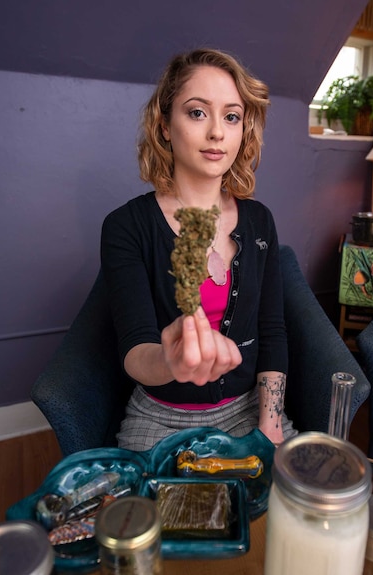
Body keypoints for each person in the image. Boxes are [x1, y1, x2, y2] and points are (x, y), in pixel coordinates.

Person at [100, 48, 297, 451]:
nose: (217, 134)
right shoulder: (126, 226)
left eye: (231, 116)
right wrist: (169, 360)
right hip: (160, 417)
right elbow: (135, 351)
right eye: (196, 112)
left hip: (249, 410)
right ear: (165, 126)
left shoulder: (259, 222)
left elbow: (272, 332)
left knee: (297, 504)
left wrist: (271, 424)